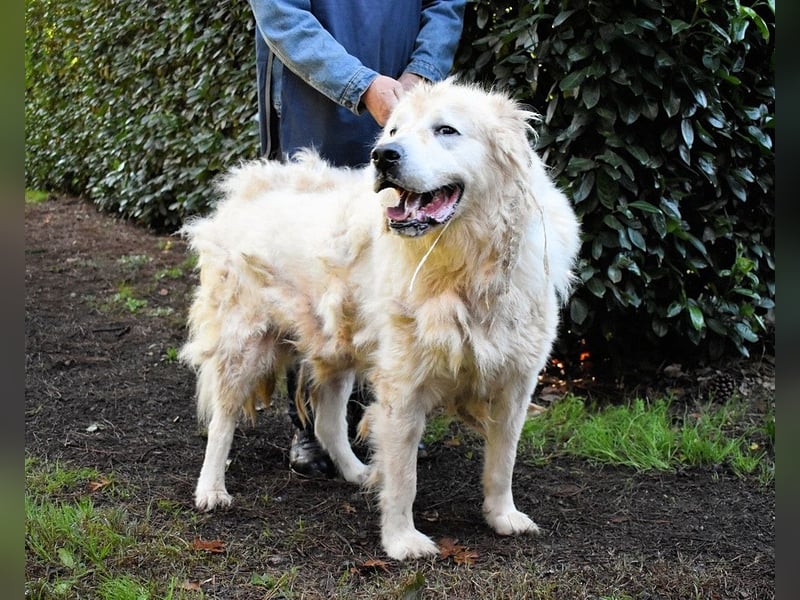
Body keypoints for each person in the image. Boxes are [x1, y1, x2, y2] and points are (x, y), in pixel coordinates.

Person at [249, 0, 467, 476]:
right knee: (314, 265)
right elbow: (281, 16)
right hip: (313, 108)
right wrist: (362, 85)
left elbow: (445, 5)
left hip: (410, 107)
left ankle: (390, 417)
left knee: (402, 256)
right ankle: (310, 426)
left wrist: (420, 74)